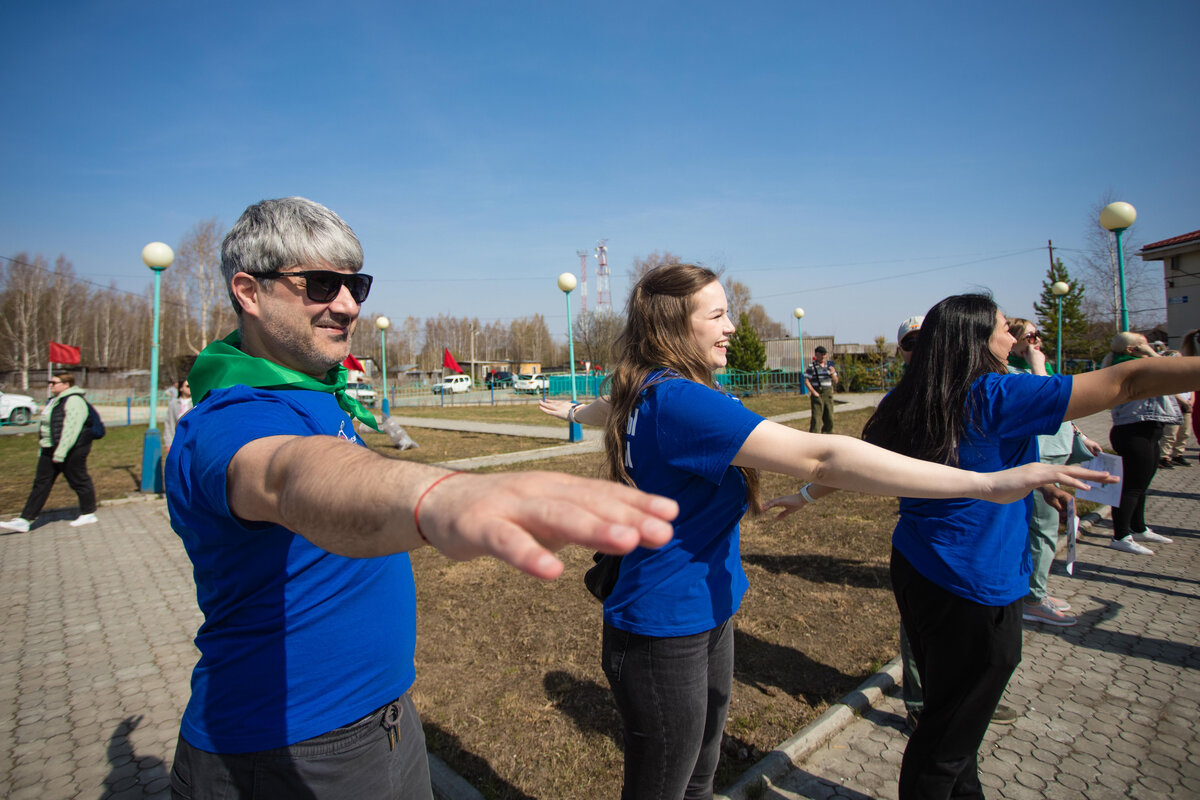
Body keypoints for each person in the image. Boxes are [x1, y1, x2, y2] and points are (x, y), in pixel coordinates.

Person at [164, 197, 681, 800]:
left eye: (356, 284)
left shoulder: (312, 390)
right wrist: (440, 496)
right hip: (285, 750)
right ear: (249, 293)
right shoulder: (229, 418)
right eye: (322, 284)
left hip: (382, 722)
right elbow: (292, 474)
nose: (349, 305)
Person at [542, 271, 1109, 800]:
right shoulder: (680, 399)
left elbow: (613, 404)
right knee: (671, 784)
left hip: (703, 608)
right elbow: (822, 457)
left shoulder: (657, 389)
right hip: (663, 624)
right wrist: (986, 484)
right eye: (717, 316)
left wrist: (576, 410)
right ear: (672, 326)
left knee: (699, 777)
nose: (733, 327)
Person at [795, 294, 1198, 800]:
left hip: (922, 568)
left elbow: (882, 462)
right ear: (978, 339)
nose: (1017, 337)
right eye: (1007, 328)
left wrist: (1031, 483)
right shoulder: (994, 393)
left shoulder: (914, 395)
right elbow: (1129, 380)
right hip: (974, 582)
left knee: (950, 718)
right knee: (947, 740)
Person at [1005, 317, 1103, 627]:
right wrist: (1037, 368)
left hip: (1056, 456)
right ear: (1013, 341)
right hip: (1038, 462)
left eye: (1038, 335)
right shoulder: (1011, 373)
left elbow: (1062, 406)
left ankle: (1036, 590)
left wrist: (1080, 435)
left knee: (1045, 531)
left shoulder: (1039, 370)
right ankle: (1034, 598)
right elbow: (1041, 403)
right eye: (1029, 336)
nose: (1037, 342)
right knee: (1042, 532)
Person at [1104, 331, 1178, 555]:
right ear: (1131, 350)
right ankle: (1121, 535)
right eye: (1144, 345)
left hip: (1147, 429)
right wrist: (1152, 354)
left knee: (1141, 483)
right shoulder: (1132, 367)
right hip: (1134, 431)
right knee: (1131, 487)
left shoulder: (1136, 364)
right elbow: (1172, 371)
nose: (1150, 348)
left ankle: (1138, 527)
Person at [2, 373, 99, 532]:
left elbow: (71, 429)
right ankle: (25, 520)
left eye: (54, 382)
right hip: (50, 447)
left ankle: (88, 513)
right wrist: (44, 447)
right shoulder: (55, 400)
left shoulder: (74, 400)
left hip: (71, 449)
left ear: (66, 384)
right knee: (41, 483)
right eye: (50, 382)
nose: (51, 385)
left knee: (78, 479)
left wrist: (61, 452)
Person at [1156, 350, 1192, 469]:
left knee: (1184, 433)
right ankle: (1163, 457)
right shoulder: (1166, 374)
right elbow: (1169, 391)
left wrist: (1190, 402)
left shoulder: (1185, 373)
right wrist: (1182, 402)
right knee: (1170, 434)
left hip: (1186, 407)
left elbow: (1192, 388)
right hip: (1173, 407)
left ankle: (1178, 454)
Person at [803, 345, 838, 433]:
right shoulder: (812, 366)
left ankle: (828, 435)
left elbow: (836, 381)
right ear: (816, 355)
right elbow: (806, 381)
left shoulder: (829, 366)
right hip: (818, 392)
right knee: (816, 418)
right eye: (821, 354)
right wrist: (814, 392)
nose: (823, 356)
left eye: (824, 354)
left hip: (828, 393)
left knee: (829, 418)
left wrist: (833, 373)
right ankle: (814, 437)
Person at [163, 378, 192, 450]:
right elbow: (169, 423)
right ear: (181, 388)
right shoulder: (173, 404)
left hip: (192, 441)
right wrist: (168, 442)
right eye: (188, 386)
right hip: (177, 440)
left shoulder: (197, 404)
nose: (190, 388)